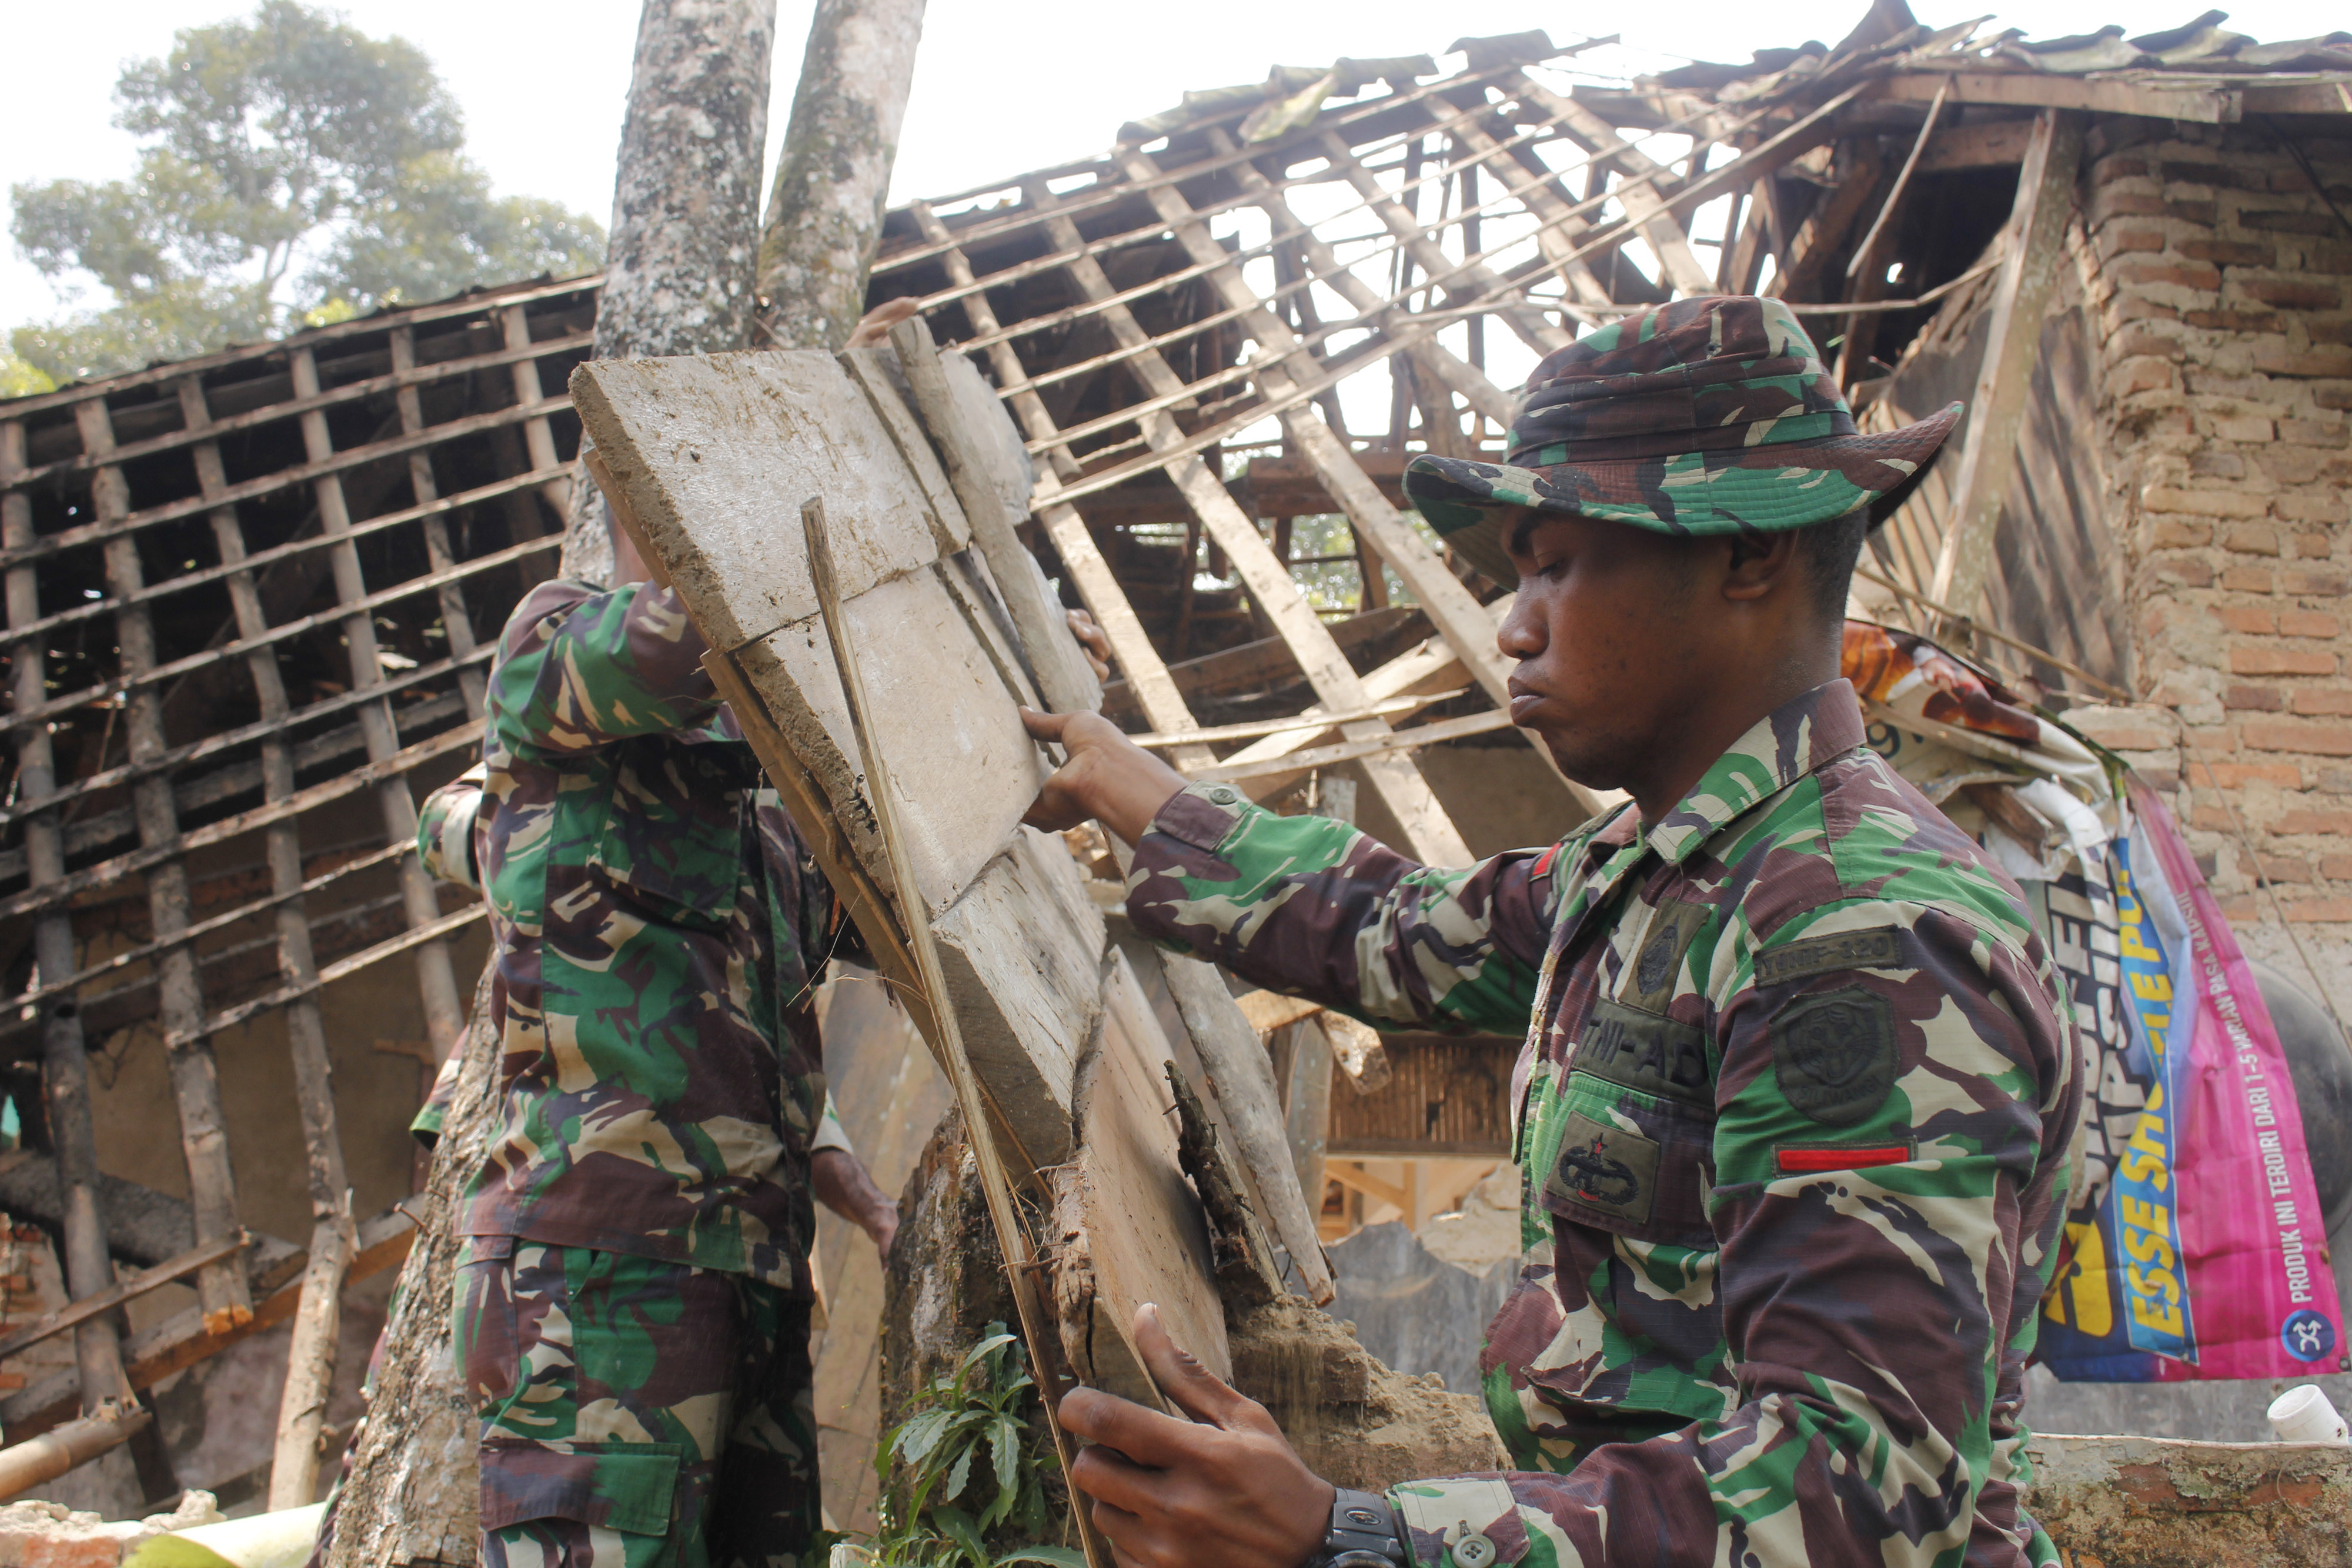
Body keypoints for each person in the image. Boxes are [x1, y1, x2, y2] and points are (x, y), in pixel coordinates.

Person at [1020, 296, 2084, 1568]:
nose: (1511, 626)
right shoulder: (1647, 872)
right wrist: (1126, 788)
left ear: (1744, 554)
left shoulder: (1859, 930)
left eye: (1557, 564)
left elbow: (1852, 1491)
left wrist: (1350, 1536)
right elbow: (1389, 924)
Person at [449, 513, 901, 1568]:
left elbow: (765, 1067)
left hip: (751, 1278)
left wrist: (871, 1209)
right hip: (597, 1279)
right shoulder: (554, 646)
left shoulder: (774, 819)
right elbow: (681, 634)